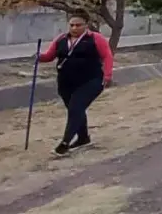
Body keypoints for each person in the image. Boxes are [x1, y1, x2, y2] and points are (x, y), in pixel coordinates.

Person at [37, 11, 114, 157]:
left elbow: (107, 56)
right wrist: (39, 57)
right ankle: (83, 138)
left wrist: (108, 75)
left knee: (76, 107)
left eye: (78, 25)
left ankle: (64, 144)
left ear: (86, 25)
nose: (74, 28)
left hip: (91, 80)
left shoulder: (95, 39)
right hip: (66, 83)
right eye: (71, 25)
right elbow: (49, 56)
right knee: (76, 110)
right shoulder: (61, 39)